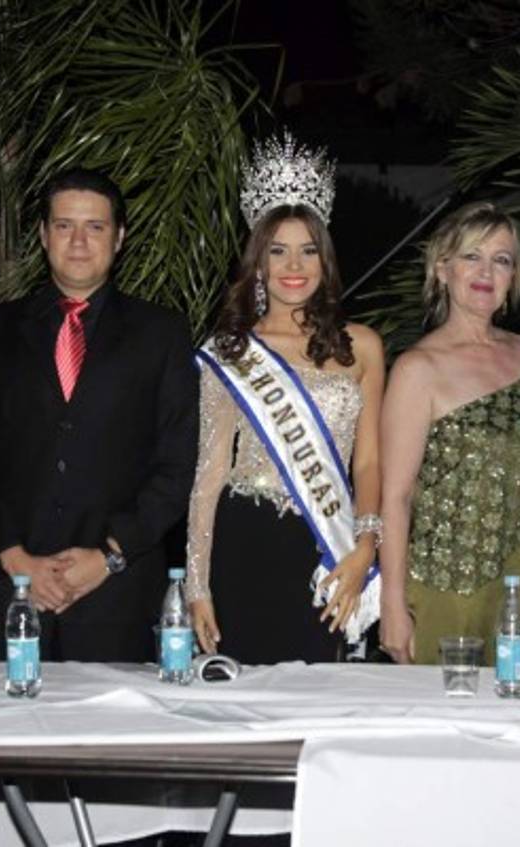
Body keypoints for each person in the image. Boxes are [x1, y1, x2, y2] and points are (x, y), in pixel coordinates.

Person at [0, 167, 197, 662]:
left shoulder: (162, 334)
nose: (79, 241)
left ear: (119, 237)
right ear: (44, 236)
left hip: (118, 597)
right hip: (12, 592)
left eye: (95, 227)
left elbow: (177, 465)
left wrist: (109, 557)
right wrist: (14, 557)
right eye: (65, 225)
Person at [186, 133, 385, 663]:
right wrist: (197, 585)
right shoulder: (230, 350)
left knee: (320, 688)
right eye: (278, 251)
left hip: (327, 544)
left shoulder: (363, 347)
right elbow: (208, 475)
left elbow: (369, 461)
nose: (294, 266)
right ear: (258, 261)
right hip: (246, 538)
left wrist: (366, 545)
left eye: (307, 250)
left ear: (325, 259)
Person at [379, 202, 520, 666]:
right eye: (472, 256)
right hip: (449, 591)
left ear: (513, 277)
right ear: (442, 269)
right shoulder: (416, 369)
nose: (486, 272)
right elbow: (395, 498)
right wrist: (392, 604)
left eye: (501, 260)